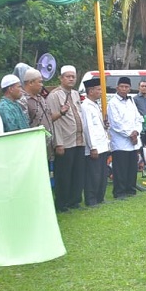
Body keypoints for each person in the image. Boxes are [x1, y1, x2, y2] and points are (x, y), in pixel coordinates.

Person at [47, 65, 85, 212]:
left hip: (79, 140)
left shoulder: (75, 94)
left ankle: (74, 201)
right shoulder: (54, 95)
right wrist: (58, 143)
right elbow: (53, 121)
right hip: (65, 142)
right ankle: (61, 204)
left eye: (73, 77)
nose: (71, 79)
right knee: (64, 175)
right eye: (67, 76)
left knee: (77, 173)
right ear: (61, 78)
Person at [107, 76, 142, 199]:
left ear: (129, 88)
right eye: (122, 86)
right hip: (120, 142)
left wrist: (136, 132)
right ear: (117, 88)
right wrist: (129, 134)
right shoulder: (112, 103)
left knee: (132, 168)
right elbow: (115, 123)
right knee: (120, 169)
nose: (124, 89)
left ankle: (130, 190)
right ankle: (119, 192)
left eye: (126, 87)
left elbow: (138, 118)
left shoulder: (131, 101)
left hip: (133, 141)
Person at [80, 77, 110, 206]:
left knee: (102, 173)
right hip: (94, 146)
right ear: (90, 91)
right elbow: (88, 128)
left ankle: (100, 197)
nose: (101, 92)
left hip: (102, 145)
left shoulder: (95, 105)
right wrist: (92, 147)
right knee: (93, 175)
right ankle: (91, 200)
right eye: (98, 89)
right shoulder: (86, 106)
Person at [19, 66, 55, 162]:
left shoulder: (41, 98)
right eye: (40, 82)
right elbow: (24, 125)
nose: (42, 85)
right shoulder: (23, 100)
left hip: (47, 148)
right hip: (34, 149)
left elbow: (49, 117)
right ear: (30, 83)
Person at [134, 80, 146, 146]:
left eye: (145, 86)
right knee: (141, 147)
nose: (144, 88)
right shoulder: (135, 99)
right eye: (142, 86)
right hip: (140, 128)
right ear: (139, 88)